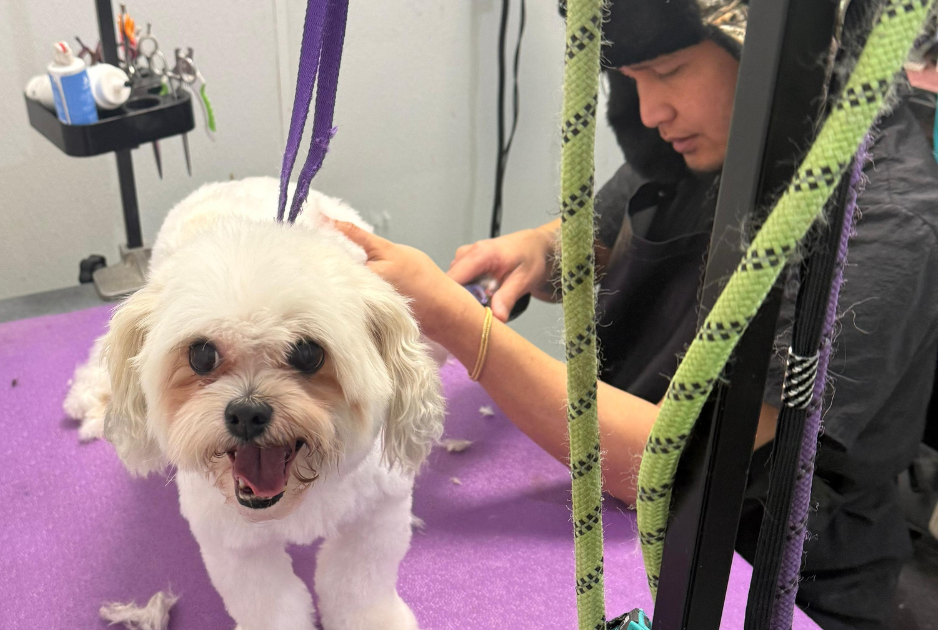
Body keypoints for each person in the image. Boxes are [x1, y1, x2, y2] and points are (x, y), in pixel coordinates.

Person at [333, 1, 938, 628]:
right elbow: (596, 240)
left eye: (670, 71)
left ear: (774, 55)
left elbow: (673, 463)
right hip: (622, 514)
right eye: (632, 80)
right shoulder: (703, 140)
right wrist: (540, 249)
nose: (651, 112)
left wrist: (461, 326)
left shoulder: (882, 224)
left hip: (769, 573)